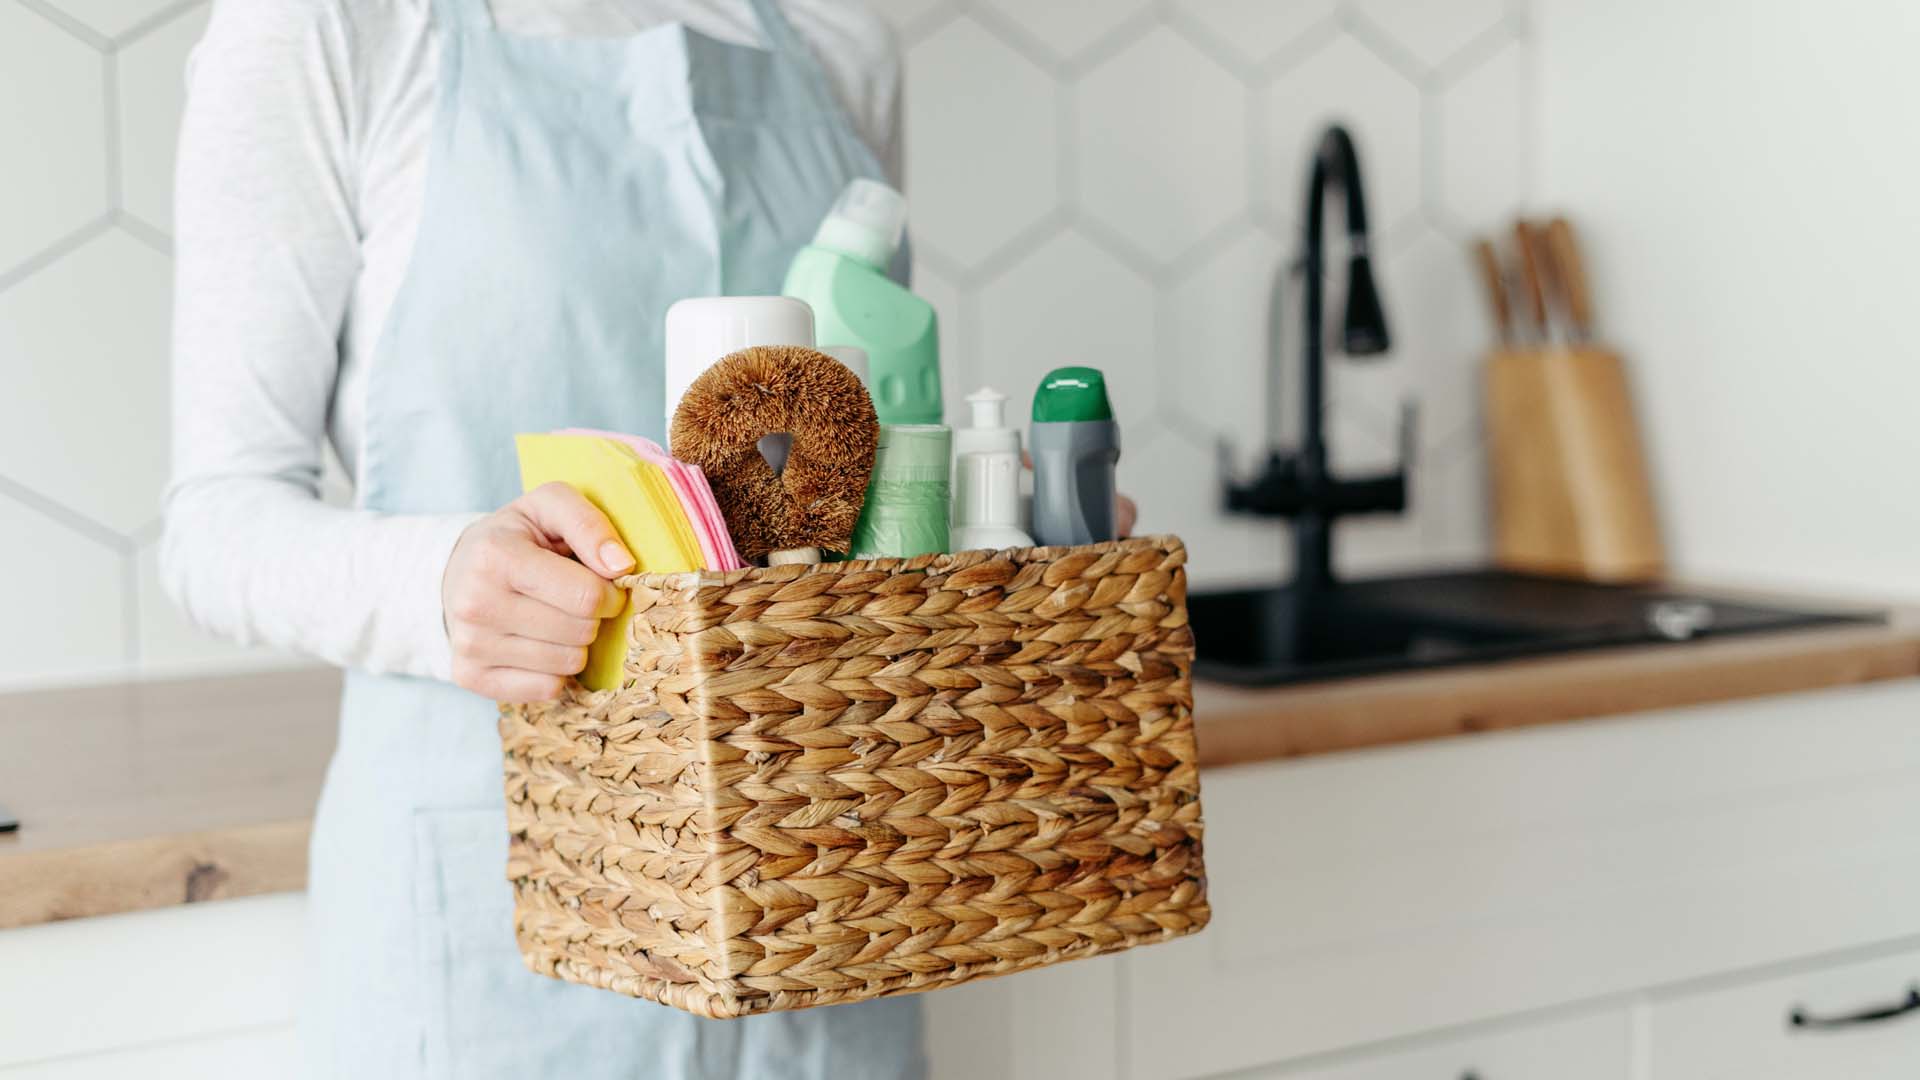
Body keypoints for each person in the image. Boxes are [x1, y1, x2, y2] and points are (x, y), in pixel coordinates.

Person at [162, 1, 925, 1075]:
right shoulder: (331, 27)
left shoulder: (836, 40)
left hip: (820, 889)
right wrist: (440, 580)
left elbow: (856, 457)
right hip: (491, 917)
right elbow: (216, 518)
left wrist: (1003, 523)